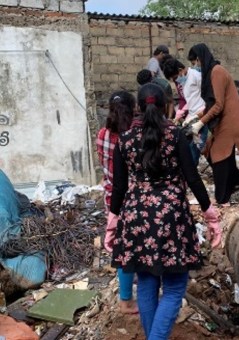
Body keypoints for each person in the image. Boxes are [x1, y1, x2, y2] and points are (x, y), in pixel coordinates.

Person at [106, 83, 221, 339]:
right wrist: (210, 215)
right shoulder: (176, 135)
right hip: (171, 217)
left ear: (138, 107)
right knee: (174, 287)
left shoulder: (124, 140)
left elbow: (119, 187)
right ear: (167, 106)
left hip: (136, 216)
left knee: (146, 283)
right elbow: (193, 178)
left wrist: (113, 223)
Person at [186, 43, 239, 205]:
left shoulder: (216, 72)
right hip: (225, 120)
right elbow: (212, 104)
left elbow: (218, 105)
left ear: (200, 58)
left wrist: (200, 124)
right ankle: (237, 181)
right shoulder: (213, 71)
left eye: (195, 62)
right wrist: (196, 117)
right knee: (220, 155)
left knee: (218, 156)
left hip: (230, 122)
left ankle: (222, 197)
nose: (196, 67)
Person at [96, 91, 138, 314]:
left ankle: (127, 293)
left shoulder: (102, 133)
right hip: (131, 199)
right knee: (131, 248)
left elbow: (106, 166)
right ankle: (126, 299)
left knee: (122, 246)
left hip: (111, 199)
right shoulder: (131, 136)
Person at [162, 57, 208, 166]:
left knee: (195, 147)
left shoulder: (196, 76)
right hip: (191, 117)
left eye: (175, 77)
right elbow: (186, 99)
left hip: (202, 117)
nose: (175, 80)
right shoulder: (181, 82)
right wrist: (180, 114)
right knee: (187, 146)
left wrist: (202, 114)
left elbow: (207, 96)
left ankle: (191, 173)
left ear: (180, 69)